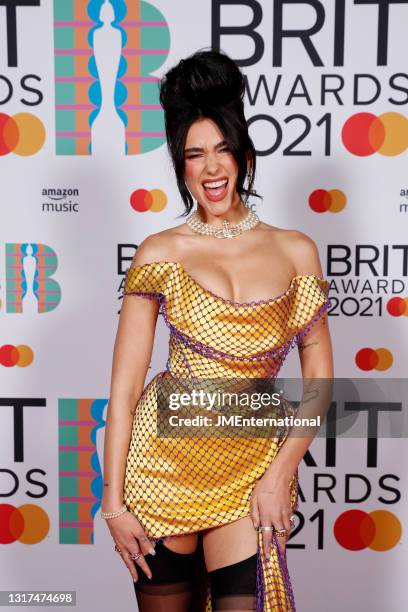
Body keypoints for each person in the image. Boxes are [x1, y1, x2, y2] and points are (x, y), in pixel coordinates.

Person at [101, 49, 334, 612]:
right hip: (161, 468)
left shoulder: (295, 249)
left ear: (244, 153)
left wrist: (282, 473)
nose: (211, 168)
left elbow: (320, 380)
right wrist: (114, 502)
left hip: (252, 467)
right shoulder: (161, 251)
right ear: (180, 165)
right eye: (194, 154)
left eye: (223, 150)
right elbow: (126, 390)